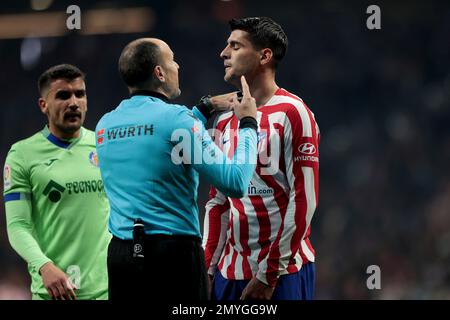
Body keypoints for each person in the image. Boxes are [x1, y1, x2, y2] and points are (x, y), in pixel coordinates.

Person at [95, 38, 258, 300]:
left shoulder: (105, 125)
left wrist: (206, 107)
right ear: (159, 72)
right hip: (172, 255)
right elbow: (235, 182)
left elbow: (157, 137)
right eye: (171, 59)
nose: (177, 65)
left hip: (122, 257)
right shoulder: (177, 119)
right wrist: (249, 123)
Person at [203, 17, 320, 300]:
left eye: (235, 45)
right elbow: (218, 202)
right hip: (229, 272)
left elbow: (304, 198)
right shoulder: (223, 122)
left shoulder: (294, 112)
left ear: (264, 55)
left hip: (284, 272)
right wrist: (206, 267)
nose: (224, 53)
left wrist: (269, 274)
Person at [2, 64, 111, 300]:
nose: (73, 102)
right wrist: (44, 266)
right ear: (44, 105)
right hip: (52, 292)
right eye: (63, 95)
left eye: (80, 94)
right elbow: (17, 225)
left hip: (105, 291)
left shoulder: (104, 146)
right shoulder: (22, 154)